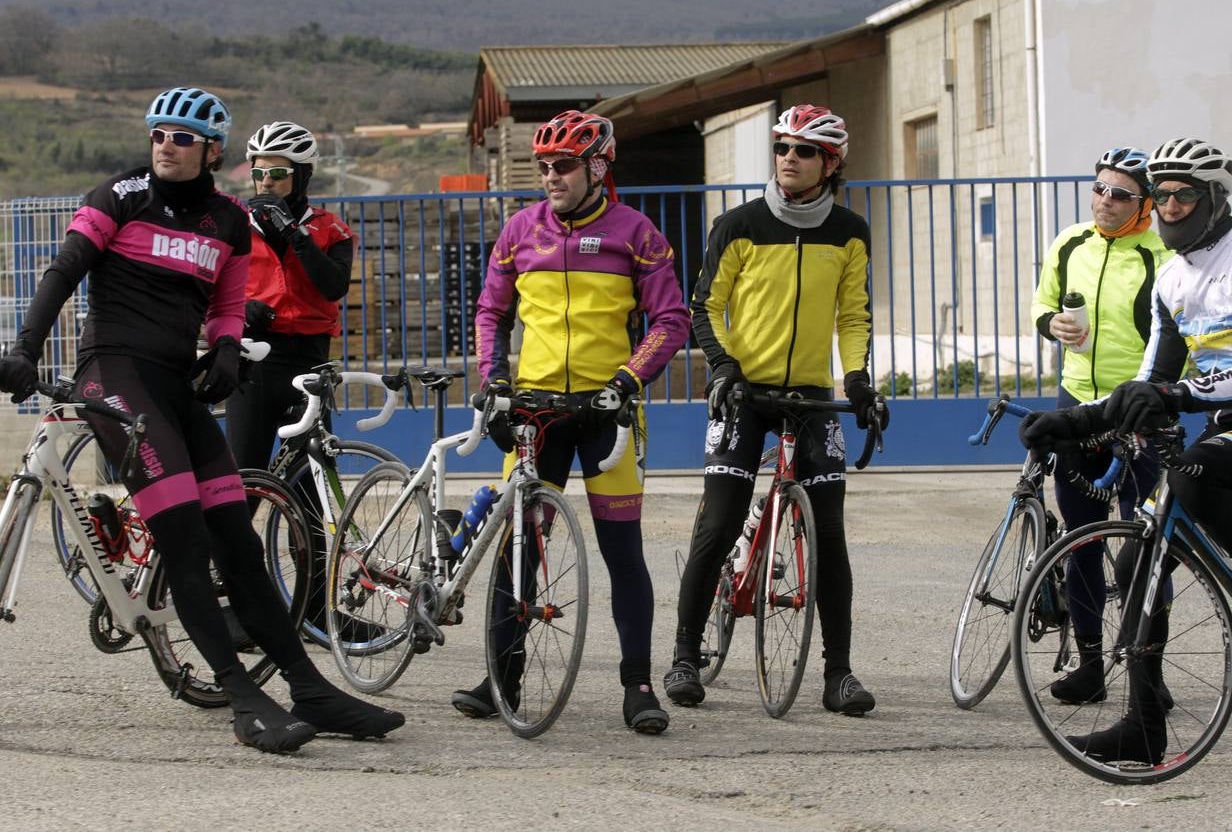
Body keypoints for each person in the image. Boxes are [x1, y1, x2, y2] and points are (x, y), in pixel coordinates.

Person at [0, 88, 402, 754]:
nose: (166, 144)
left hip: (177, 384)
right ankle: (242, 697)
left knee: (237, 541)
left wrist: (222, 352)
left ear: (213, 150)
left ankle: (310, 687)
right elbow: (64, 270)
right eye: (158, 133)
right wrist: (24, 349)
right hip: (116, 377)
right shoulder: (119, 197)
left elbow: (228, 303)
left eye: (182, 137)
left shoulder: (226, 221)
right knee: (184, 534)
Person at [1020, 138, 1232, 763]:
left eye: (1182, 195)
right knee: (1138, 560)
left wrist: (1174, 394)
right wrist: (1079, 422)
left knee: (1192, 480)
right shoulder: (1171, 276)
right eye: (1159, 196)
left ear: (1213, 199)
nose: (1166, 207)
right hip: (1225, 430)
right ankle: (1142, 724)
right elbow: (1147, 381)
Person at [454, 109, 691, 734]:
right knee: (517, 554)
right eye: (545, 166)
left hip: (604, 414)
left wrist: (626, 381)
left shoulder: (635, 233)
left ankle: (638, 685)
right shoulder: (518, 231)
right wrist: (494, 381)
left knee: (622, 553)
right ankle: (502, 676)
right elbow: (489, 312)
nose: (551, 176)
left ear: (598, 167)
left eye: (563, 166)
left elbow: (671, 321)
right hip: (534, 413)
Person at [663, 104, 889, 716]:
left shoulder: (848, 232)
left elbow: (854, 315)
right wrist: (723, 366)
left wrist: (860, 378)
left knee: (831, 537)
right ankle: (686, 657)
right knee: (718, 523)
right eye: (782, 147)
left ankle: (838, 674)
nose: (789, 157)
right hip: (744, 393)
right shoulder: (738, 224)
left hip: (812, 396)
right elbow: (704, 307)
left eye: (804, 150)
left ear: (830, 163)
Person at [1029, 147, 1170, 704]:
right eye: (1099, 189)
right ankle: (1090, 664)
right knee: (1080, 538)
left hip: (1137, 412)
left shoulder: (1162, 256)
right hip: (1076, 408)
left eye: (1120, 194)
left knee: (1148, 546)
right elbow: (1041, 304)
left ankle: (1149, 678)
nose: (1105, 201)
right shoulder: (1070, 242)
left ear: (1145, 204)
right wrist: (1052, 324)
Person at [226, 120, 354, 475]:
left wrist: (293, 232)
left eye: (278, 172)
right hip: (253, 363)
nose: (266, 181)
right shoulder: (234, 226)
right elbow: (205, 289)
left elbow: (334, 286)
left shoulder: (332, 229)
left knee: (309, 486)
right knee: (244, 482)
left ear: (303, 175)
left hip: (310, 363)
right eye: (258, 172)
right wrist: (240, 308)